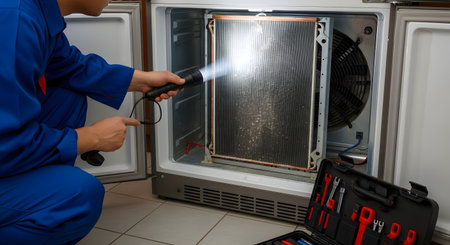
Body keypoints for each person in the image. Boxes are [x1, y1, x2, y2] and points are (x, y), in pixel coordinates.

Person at [0, 0, 184, 244]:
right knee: (80, 196)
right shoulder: (16, 20)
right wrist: (91, 138)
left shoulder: (34, 12)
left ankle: (36, 190)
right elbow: (7, 144)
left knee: (68, 95)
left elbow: (69, 67)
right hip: (5, 149)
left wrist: (141, 80)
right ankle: (46, 199)